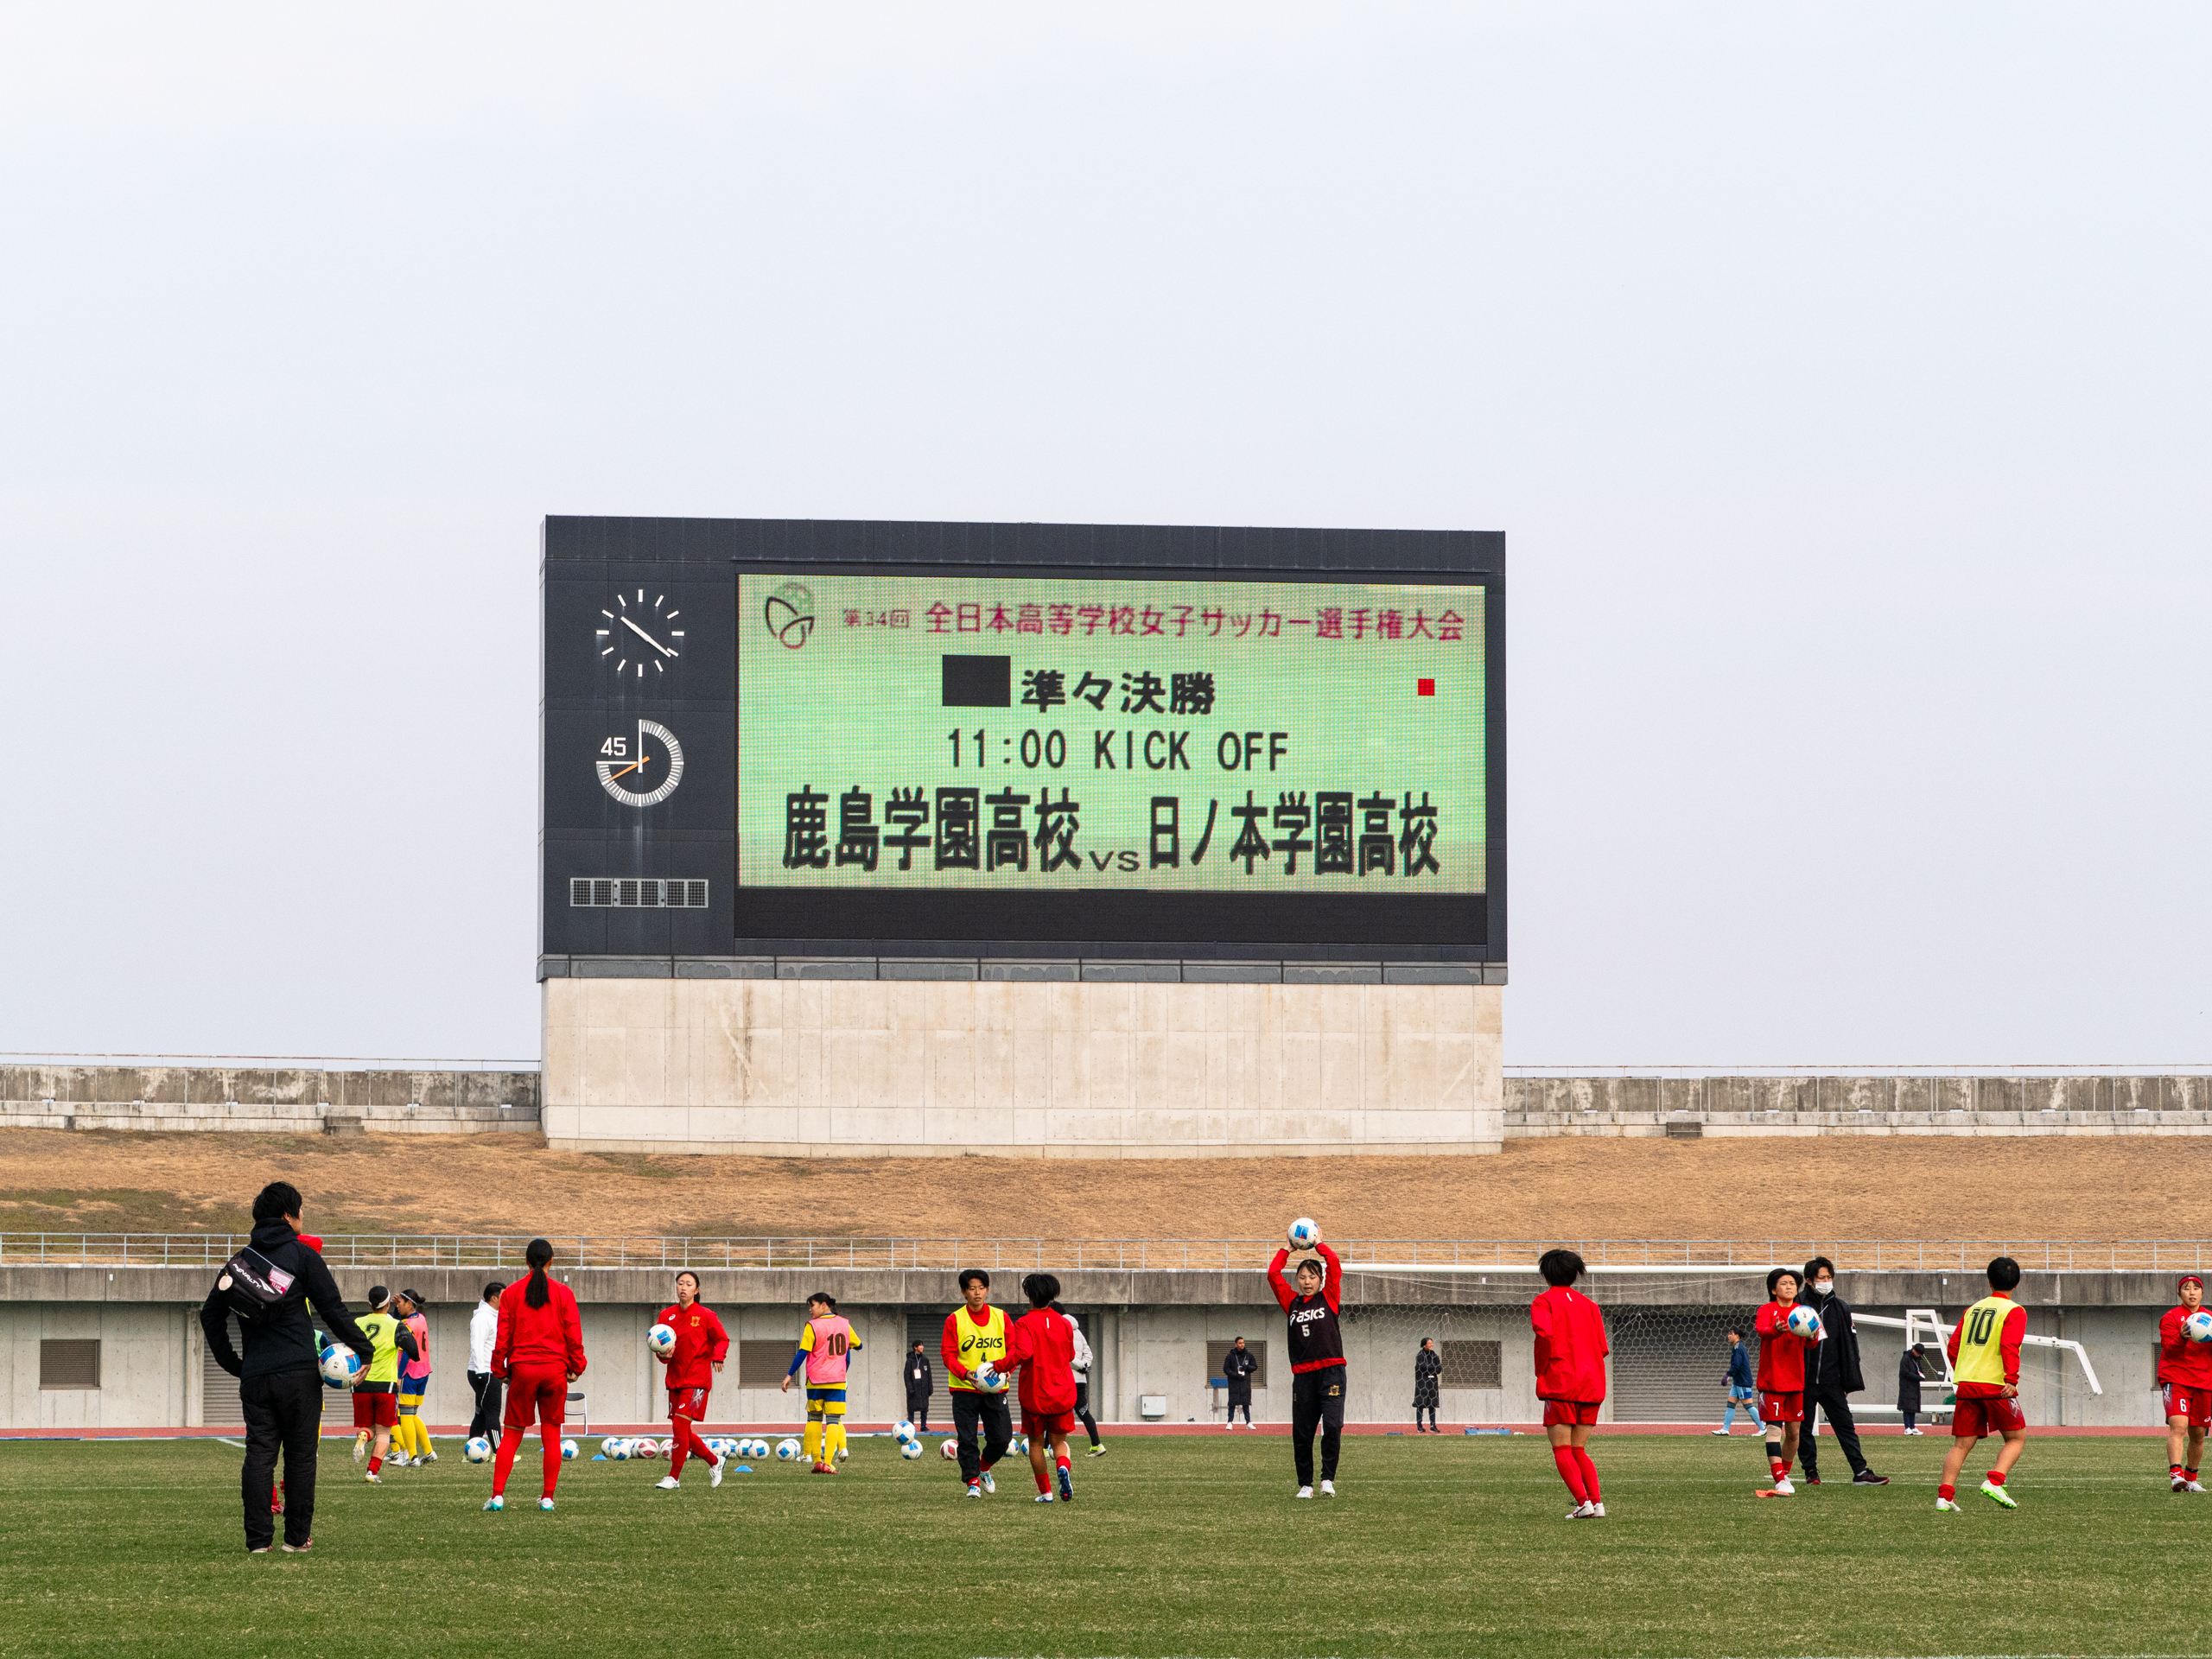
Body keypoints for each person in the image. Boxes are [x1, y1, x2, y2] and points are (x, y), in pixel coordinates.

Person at [199, 1180, 378, 1554]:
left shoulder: (241, 1260)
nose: (303, 1215)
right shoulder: (303, 1257)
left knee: (259, 1455)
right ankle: (296, 1539)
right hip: (299, 1374)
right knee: (300, 1457)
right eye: (301, 1209)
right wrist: (365, 1351)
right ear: (287, 1216)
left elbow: (210, 1315)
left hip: (257, 1376)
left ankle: (257, 1542)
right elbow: (334, 1310)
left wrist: (235, 1364)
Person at [486, 1236, 588, 1512]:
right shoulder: (564, 1293)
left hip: (523, 1370)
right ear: (551, 1262)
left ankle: (497, 1496)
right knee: (552, 1433)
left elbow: (502, 1337)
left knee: (512, 1434)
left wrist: (501, 1370)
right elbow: (573, 1334)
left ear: (527, 1262)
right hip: (554, 1371)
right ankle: (547, 1497)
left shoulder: (511, 1294)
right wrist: (576, 1367)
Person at [1938, 1255, 2028, 1511]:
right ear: (2016, 1284)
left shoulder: (1972, 1309)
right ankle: (1995, 1481)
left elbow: (1953, 1346)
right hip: (1997, 1387)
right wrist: (2011, 1379)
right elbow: (2009, 1345)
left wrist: (1964, 1371)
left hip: (1968, 1385)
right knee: (2016, 1438)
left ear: (1989, 1282)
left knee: (1961, 1444)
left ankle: (1945, 1496)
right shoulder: (2014, 1310)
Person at [1268, 1223, 1345, 1498]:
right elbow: (1273, 1273)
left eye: (1312, 1276)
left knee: (1333, 1426)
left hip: (1332, 1372)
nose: (1307, 1281)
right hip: (1303, 1377)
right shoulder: (1292, 1302)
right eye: (1302, 1277)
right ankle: (1306, 1485)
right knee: (1302, 1433)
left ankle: (1327, 1479)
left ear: (1320, 1280)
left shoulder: (1330, 1297)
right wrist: (1288, 1248)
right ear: (1297, 1280)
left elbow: (1334, 1264)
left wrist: (1319, 1244)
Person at [1531, 1248, 1610, 1518]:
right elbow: (1601, 1348)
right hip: (1591, 1384)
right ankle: (1596, 1504)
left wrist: (1541, 1370)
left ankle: (1582, 1503)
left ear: (1546, 1275)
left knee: (1562, 1448)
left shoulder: (1544, 1302)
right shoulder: (1591, 1306)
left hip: (1561, 1382)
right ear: (1575, 1275)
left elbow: (1544, 1337)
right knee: (1579, 1449)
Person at [991, 1273, 1082, 1503]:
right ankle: (1063, 1466)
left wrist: (998, 1366)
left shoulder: (1024, 1323)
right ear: (1053, 1295)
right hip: (1062, 1393)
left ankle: (1046, 1492)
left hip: (1035, 1394)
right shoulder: (1064, 1323)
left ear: (1029, 1296)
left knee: (1036, 1444)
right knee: (1060, 1442)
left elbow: (1024, 1353)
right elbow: (1070, 1355)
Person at [1796, 1257, 1887, 1485]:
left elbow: (1849, 1345)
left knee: (1845, 1426)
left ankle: (1860, 1471)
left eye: (1829, 1277)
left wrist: (1847, 1380)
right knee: (1803, 1427)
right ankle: (1811, 1472)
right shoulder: (1798, 1306)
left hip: (1832, 1380)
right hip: (1803, 1380)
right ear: (1809, 1281)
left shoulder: (1840, 1307)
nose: (1826, 1282)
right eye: (1821, 1278)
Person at [654, 1269, 730, 1491]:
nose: (683, 1287)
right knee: (683, 1431)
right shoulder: (666, 1316)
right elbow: (661, 1350)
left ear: (696, 1290)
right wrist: (662, 1355)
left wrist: (718, 1357)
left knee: (679, 1425)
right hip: (675, 1379)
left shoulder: (706, 1315)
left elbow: (722, 1339)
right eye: (680, 1283)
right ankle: (716, 1462)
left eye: (688, 1284)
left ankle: (673, 1477)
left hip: (697, 1380)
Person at [942, 1268, 1014, 1497]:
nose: (977, 1293)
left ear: (988, 1290)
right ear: (964, 1292)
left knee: (1002, 1438)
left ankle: (984, 1468)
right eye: (972, 1289)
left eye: (981, 1288)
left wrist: (1008, 1369)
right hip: (965, 1388)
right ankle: (972, 1481)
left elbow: (1013, 1348)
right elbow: (948, 1354)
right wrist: (965, 1373)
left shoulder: (1001, 1317)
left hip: (995, 1388)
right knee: (967, 1438)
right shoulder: (954, 1320)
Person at [784, 1290, 862, 1472]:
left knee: (814, 1419)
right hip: (837, 1381)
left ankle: (817, 1462)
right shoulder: (844, 1324)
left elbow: (802, 1352)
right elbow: (858, 1345)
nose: (810, 1309)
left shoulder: (812, 1326)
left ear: (823, 1305)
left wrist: (789, 1375)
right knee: (834, 1421)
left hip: (816, 1380)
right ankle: (828, 1462)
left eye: (812, 1305)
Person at [1752, 1267, 1814, 1497]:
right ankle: (1779, 1479)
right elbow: (1762, 1331)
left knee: (1794, 1433)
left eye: (1792, 1284)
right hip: (1772, 1381)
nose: (1789, 1287)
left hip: (1795, 1381)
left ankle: (1785, 1474)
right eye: (1784, 1284)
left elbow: (1811, 1343)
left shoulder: (1804, 1311)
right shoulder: (1766, 1310)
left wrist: (1812, 1336)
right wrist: (1776, 1330)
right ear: (1773, 1289)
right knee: (1773, 1430)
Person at [349, 1286, 418, 1483]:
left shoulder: (357, 1322)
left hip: (360, 1383)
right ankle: (372, 1472)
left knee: (369, 1427)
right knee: (384, 1433)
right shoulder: (395, 1325)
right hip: (385, 1386)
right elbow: (413, 1351)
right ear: (388, 1304)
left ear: (369, 1304)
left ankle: (363, 1434)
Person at [2157, 1274, 2210, 1492]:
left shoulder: (2209, 1318)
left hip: (2204, 1381)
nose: (2191, 1292)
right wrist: (2182, 1336)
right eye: (2186, 1288)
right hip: (2175, 1378)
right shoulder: (2171, 1317)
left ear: (2202, 1292)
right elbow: (2169, 1348)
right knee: (2179, 1426)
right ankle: (2176, 1476)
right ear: (2179, 1293)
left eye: (2195, 1288)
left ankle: (2191, 1479)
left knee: (2198, 1434)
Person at [391, 1287, 435, 1465]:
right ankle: (429, 1452)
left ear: (409, 1304)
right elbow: (398, 1321)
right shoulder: (421, 1319)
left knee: (406, 1415)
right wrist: (395, 1308)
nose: (398, 1306)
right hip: (424, 1372)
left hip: (410, 1373)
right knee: (414, 1414)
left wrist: (400, 1375)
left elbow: (407, 1351)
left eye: (400, 1303)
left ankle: (412, 1457)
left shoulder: (408, 1325)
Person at [1057, 1302, 1105, 1454]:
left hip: (1065, 1380)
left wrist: (1078, 1365)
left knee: (1054, 1412)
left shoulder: (1059, 1329)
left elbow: (1065, 1355)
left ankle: (1046, 1448)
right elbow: (1088, 1354)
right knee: (1084, 1412)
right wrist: (1085, 1365)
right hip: (1081, 1381)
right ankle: (1097, 1445)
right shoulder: (1078, 1331)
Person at [467, 1281, 506, 1446]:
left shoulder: (493, 1316)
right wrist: (481, 1371)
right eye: (503, 1296)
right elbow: (477, 1345)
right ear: (494, 1298)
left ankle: (470, 1450)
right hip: (485, 1372)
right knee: (493, 1412)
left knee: (481, 1413)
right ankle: (500, 1451)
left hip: (489, 1371)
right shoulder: (482, 1318)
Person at [1715, 1328, 1762, 1434]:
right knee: (1730, 1404)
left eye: (1730, 1334)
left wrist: (1727, 1375)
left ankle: (1763, 1428)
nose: (1728, 1336)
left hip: (1743, 1381)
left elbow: (1736, 1365)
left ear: (1737, 1335)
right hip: (1737, 1382)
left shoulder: (1738, 1347)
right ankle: (1725, 1429)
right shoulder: (1736, 1347)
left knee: (1748, 1405)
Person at [1222, 1336, 1258, 1431]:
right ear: (1235, 1344)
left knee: (1246, 1402)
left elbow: (1255, 1366)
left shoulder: (1249, 1355)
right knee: (1232, 1402)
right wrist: (1235, 1375)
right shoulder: (1230, 1356)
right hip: (1234, 1382)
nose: (1242, 1345)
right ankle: (1229, 1422)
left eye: (1243, 1343)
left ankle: (1248, 1422)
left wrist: (1247, 1368)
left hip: (1245, 1382)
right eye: (1240, 1343)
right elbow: (1226, 1369)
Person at [905, 1340, 935, 1433]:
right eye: (920, 1346)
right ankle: (911, 1426)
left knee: (924, 1408)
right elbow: (906, 1375)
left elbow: (929, 1374)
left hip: (924, 1388)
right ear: (915, 1347)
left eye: (922, 1345)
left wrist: (930, 1388)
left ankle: (923, 1425)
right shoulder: (910, 1360)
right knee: (911, 1408)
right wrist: (909, 1388)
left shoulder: (925, 1360)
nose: (922, 1347)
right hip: (913, 1388)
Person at [1413, 1338, 1442, 1433]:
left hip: (1432, 1382)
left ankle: (1433, 1425)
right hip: (1422, 1382)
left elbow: (1439, 1369)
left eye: (1432, 1343)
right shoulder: (1420, 1356)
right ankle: (1419, 1426)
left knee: (1432, 1404)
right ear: (1424, 1345)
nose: (1432, 1345)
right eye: (1429, 1343)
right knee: (1420, 1404)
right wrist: (1432, 1368)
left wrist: (1431, 1368)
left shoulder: (1434, 1355)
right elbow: (1422, 1367)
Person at [1898, 1343, 1927, 1435]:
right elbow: (1905, 1372)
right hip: (1906, 1386)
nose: (1918, 1355)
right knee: (1907, 1407)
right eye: (1918, 1353)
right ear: (1914, 1350)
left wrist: (1921, 1373)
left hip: (1914, 1386)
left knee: (1913, 1406)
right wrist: (1917, 1377)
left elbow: (1920, 1369)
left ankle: (1912, 1426)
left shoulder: (1916, 1359)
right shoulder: (1906, 1358)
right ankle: (1907, 1428)